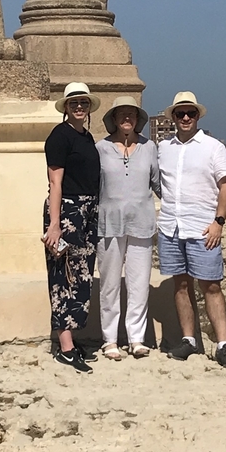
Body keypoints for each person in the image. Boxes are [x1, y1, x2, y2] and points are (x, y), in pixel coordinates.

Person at [157, 91, 226, 368]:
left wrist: (219, 222)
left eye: (190, 113)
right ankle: (189, 340)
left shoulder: (213, 147)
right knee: (180, 285)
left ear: (197, 116)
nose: (184, 117)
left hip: (203, 228)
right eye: (180, 113)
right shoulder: (163, 148)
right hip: (171, 226)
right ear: (172, 116)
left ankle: (223, 344)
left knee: (211, 285)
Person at [42, 81, 101, 374]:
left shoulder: (87, 138)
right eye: (74, 103)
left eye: (84, 103)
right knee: (62, 276)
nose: (79, 107)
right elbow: (55, 182)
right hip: (66, 211)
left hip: (88, 212)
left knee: (81, 276)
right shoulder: (59, 136)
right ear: (66, 107)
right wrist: (54, 224)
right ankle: (65, 347)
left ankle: (72, 340)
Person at [96, 96, 160, 360]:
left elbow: (158, 184)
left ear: (137, 119)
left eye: (131, 114)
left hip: (142, 223)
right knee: (109, 284)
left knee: (138, 283)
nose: (126, 118)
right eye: (121, 114)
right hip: (108, 224)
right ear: (113, 119)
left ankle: (136, 338)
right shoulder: (100, 148)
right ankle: (109, 339)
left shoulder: (149, 147)